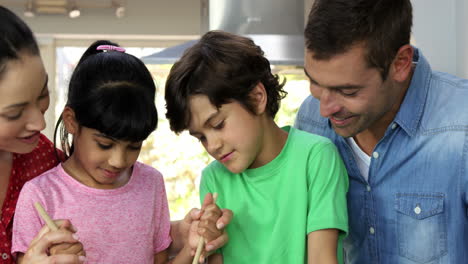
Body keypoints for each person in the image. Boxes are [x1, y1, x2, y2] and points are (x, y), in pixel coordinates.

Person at [0, 6, 231, 264]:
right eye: (104, 144)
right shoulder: (39, 194)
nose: (119, 161)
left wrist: (191, 249)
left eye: (134, 146)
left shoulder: (150, 183)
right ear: (71, 121)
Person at [295, 0, 468, 263]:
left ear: (400, 63)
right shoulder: (310, 122)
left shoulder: (462, 128)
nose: (325, 109)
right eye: (315, 82)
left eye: (348, 91)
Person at [165, 30, 349, 264]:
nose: (212, 146)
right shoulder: (214, 179)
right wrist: (207, 241)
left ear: (257, 97)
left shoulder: (315, 157)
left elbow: (323, 258)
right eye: (200, 137)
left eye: (218, 124)